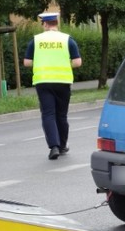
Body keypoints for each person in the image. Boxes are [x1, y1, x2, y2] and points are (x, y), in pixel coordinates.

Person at [23, 12, 82, 160]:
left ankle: (53, 147)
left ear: (44, 24)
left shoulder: (35, 41)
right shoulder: (67, 40)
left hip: (43, 82)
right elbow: (77, 62)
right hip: (63, 82)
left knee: (48, 114)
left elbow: (27, 62)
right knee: (62, 115)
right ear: (56, 23)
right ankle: (62, 145)